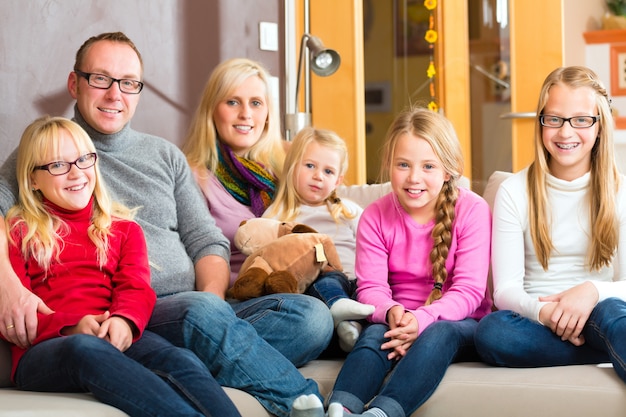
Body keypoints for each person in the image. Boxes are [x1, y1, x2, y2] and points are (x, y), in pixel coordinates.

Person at [0, 32, 324, 417]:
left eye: (128, 83)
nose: (114, 94)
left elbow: (207, 241)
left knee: (312, 318)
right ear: (75, 84)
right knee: (199, 318)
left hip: (182, 307)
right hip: (117, 307)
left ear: (138, 90)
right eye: (100, 79)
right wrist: (7, 285)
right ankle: (288, 393)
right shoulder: (48, 150)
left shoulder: (164, 156)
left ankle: (205, 344)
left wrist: (213, 306)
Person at [4, 115, 241, 417]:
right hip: (47, 350)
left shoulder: (124, 230)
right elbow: (18, 307)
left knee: (181, 359)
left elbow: (136, 288)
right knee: (85, 348)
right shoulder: (19, 233)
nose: (76, 173)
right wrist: (73, 326)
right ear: (32, 179)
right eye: (58, 165)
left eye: (83, 160)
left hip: (110, 333)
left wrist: (124, 321)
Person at [292, 107, 493, 417]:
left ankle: (382, 413)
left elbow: (469, 291)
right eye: (403, 165)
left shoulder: (473, 210)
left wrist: (422, 320)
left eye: (428, 166)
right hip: (397, 320)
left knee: (439, 334)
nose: (414, 178)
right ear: (389, 165)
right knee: (374, 335)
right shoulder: (374, 215)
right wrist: (393, 312)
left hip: (459, 321)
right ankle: (339, 409)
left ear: (449, 170)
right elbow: (370, 288)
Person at [474, 66, 626, 383]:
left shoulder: (620, 190)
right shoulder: (513, 192)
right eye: (554, 119)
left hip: (601, 315)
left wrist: (592, 291)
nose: (566, 132)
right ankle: (607, 351)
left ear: (600, 125)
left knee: (613, 313)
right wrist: (546, 313)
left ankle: (610, 342)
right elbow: (505, 290)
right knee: (492, 332)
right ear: (541, 121)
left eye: (581, 119)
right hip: (537, 323)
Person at [183, 57, 333, 362]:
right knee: (314, 320)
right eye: (232, 102)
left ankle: (215, 357)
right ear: (213, 109)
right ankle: (212, 349)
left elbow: (332, 217)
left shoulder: (290, 164)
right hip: (237, 300)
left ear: (267, 113)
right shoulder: (192, 175)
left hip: (295, 292)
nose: (245, 114)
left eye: (255, 103)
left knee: (333, 310)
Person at [264, 126, 374, 352]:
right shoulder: (278, 214)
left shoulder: (348, 211)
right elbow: (265, 252)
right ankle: (342, 321)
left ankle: (349, 324)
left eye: (328, 172)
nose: (318, 176)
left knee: (364, 295)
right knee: (324, 281)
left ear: (338, 181)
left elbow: (374, 245)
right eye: (310, 166)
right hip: (309, 286)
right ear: (293, 167)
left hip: (355, 282)